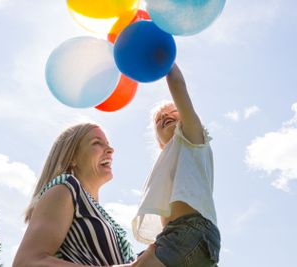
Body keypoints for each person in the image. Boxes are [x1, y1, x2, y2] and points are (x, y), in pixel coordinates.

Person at [132, 63, 221, 267]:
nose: (165, 116)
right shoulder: (168, 158)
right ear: (159, 142)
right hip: (178, 237)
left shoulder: (193, 138)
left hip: (191, 230)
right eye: (159, 119)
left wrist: (165, 59)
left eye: (172, 111)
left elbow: (179, 86)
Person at [12, 123, 136, 267]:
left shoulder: (95, 209)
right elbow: (27, 262)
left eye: (108, 144)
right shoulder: (66, 187)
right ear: (72, 158)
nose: (110, 150)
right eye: (97, 143)